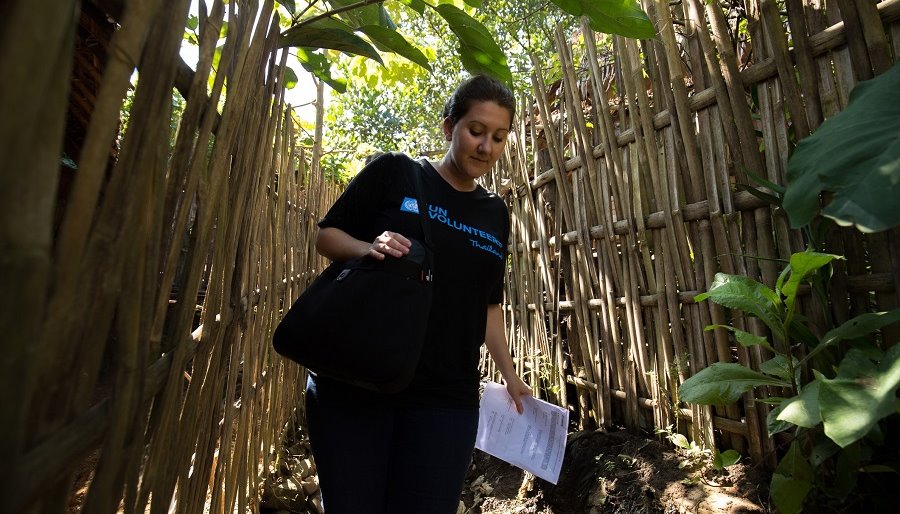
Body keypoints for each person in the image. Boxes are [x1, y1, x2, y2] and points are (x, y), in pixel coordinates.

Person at [305, 74, 532, 514]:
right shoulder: (396, 173)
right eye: (476, 131)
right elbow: (327, 237)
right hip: (357, 383)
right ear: (450, 127)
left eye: (499, 137)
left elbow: (487, 303)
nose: (486, 147)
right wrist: (368, 248)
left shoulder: (495, 213)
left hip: (445, 397)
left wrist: (509, 374)